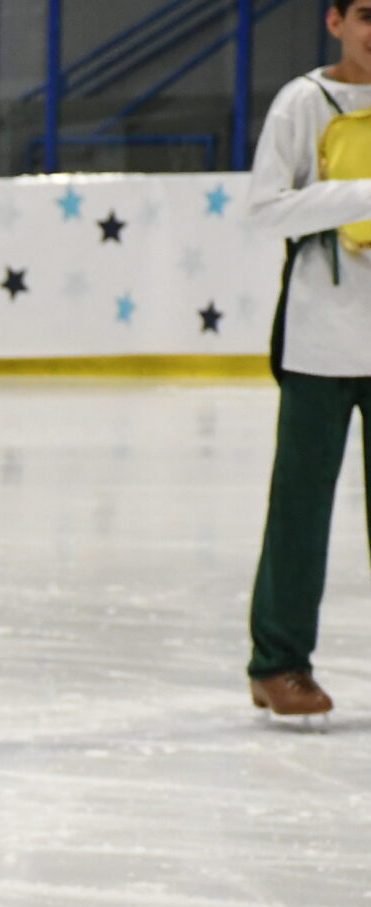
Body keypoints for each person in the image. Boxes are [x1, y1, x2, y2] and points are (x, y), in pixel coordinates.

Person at [245, 0, 371, 718]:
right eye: (367, 15)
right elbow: (264, 209)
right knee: (300, 509)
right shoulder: (304, 102)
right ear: (335, 22)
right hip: (321, 336)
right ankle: (279, 664)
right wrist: (361, 196)